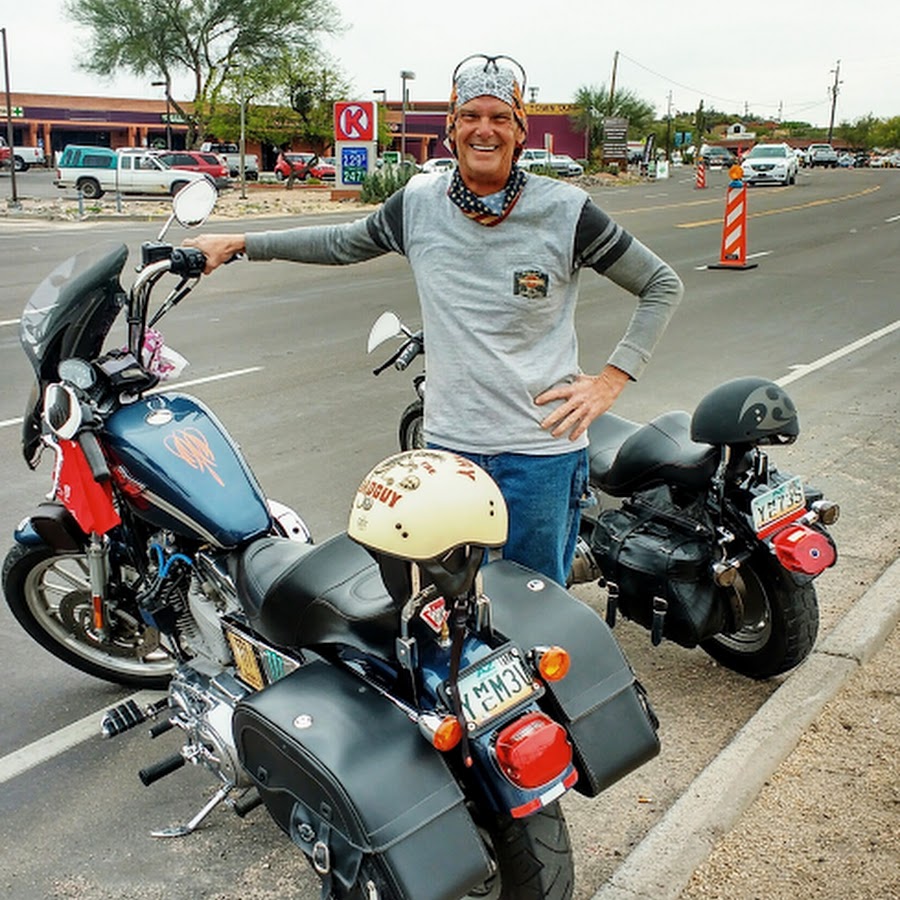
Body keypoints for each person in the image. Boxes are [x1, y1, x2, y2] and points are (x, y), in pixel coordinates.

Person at [184, 53, 683, 586]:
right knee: (451, 605)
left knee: (538, 605)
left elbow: (660, 284)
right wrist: (241, 243)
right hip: (450, 451)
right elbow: (340, 243)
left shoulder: (566, 210)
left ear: (519, 131)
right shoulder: (417, 205)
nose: (484, 130)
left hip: (540, 455)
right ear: (452, 128)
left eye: (500, 117)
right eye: (471, 116)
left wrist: (610, 382)